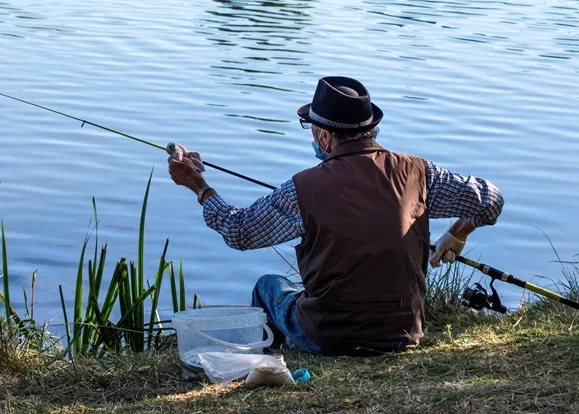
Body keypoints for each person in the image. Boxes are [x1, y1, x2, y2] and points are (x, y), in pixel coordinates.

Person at [167, 76, 504, 356]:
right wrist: (459, 233)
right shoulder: (418, 174)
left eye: (310, 127)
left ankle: (270, 364)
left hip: (329, 337)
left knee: (269, 285)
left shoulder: (302, 188)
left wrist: (199, 186)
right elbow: (490, 200)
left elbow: (239, 231)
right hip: (403, 335)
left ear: (324, 136)